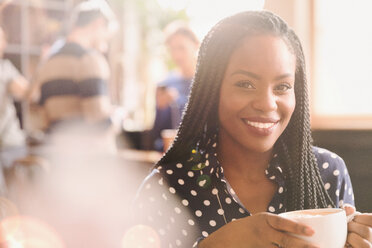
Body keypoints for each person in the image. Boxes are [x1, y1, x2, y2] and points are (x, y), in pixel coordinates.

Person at [133, 11, 372, 247]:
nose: (267, 103)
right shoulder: (166, 190)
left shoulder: (328, 173)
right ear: (212, 89)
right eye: (245, 84)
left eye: (282, 86)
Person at [31, 0, 117, 132]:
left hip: (57, 150)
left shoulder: (47, 63)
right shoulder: (89, 60)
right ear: (98, 23)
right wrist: (117, 117)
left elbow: (43, 118)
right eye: (106, 38)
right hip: (88, 150)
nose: (105, 47)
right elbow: (100, 123)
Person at [147, 21, 200, 151]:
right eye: (172, 49)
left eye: (181, 48)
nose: (177, 55)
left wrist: (178, 102)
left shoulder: (207, 82)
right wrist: (160, 107)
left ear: (196, 45)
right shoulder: (165, 84)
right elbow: (158, 133)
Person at [0, 26, 29, 195]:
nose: (3, 43)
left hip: (10, 143)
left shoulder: (5, 68)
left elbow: (26, 92)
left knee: (16, 194)